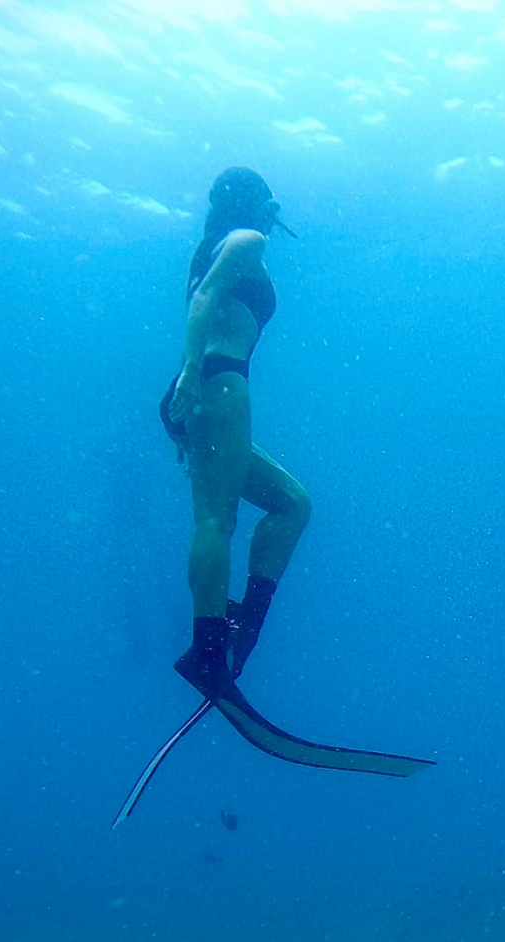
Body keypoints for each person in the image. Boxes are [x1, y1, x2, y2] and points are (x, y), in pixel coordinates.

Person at [160, 166, 309, 699]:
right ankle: (206, 652)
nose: (275, 210)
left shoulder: (210, 246)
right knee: (217, 519)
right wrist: (192, 382)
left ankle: (240, 622)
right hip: (219, 383)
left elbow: (201, 303)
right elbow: (204, 304)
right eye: (268, 200)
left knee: (291, 502)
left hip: (205, 385)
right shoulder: (247, 240)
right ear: (254, 202)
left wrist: (182, 404)